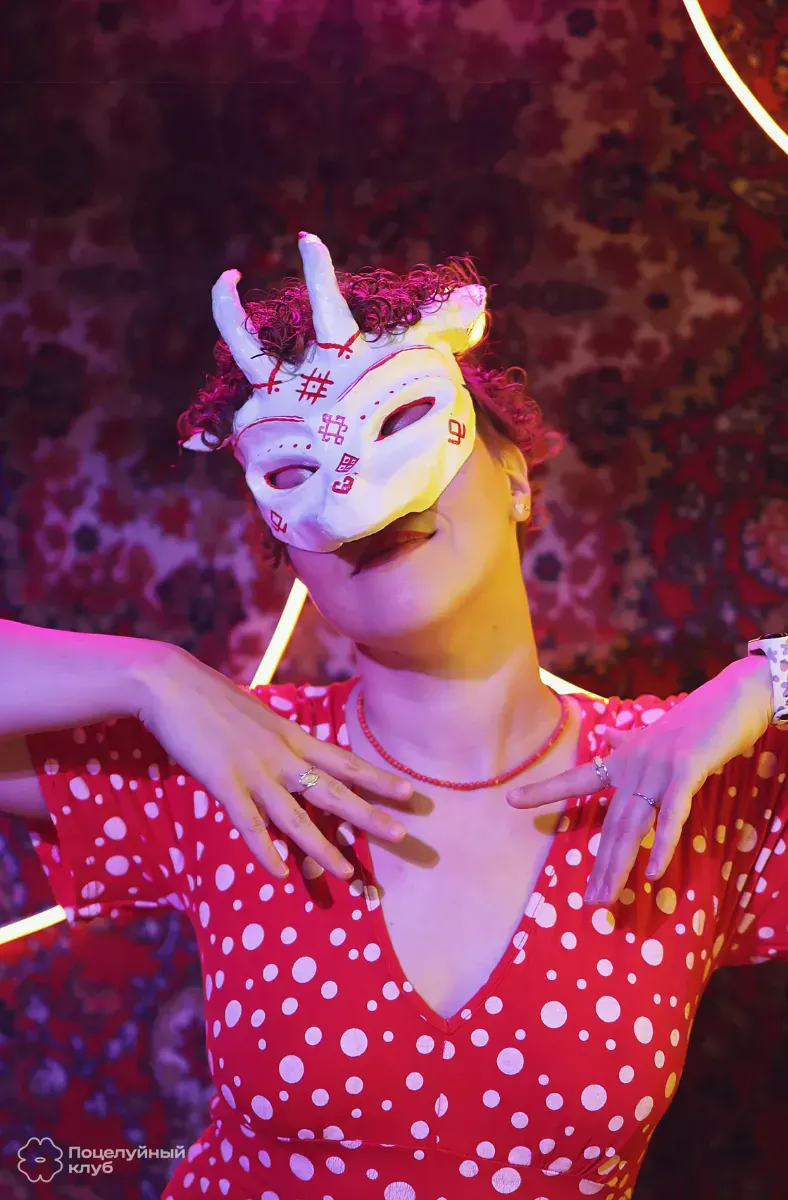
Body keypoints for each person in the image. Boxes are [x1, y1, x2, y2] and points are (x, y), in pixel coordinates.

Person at [1, 232, 786, 1200]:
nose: (358, 494)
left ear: (514, 479)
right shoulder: (230, 755)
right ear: (292, 556)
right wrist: (154, 679)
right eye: (295, 468)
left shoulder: (692, 778)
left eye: (401, 418)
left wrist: (760, 685)